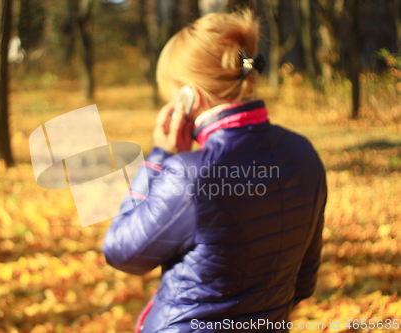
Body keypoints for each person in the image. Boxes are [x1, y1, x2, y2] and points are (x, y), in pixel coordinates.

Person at [102, 9, 327, 333]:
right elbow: (304, 283)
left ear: (187, 96)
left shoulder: (189, 174)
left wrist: (160, 156)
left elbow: (120, 251)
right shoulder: (304, 154)